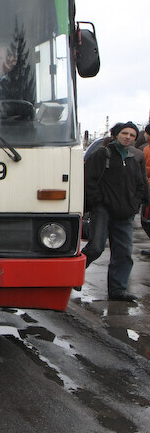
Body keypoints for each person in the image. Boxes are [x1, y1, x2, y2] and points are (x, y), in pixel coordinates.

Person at [82, 122, 150, 301]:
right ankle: (73, 275)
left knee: (123, 253)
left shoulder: (134, 157)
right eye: (125, 133)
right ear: (116, 135)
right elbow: (88, 181)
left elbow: (140, 184)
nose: (128, 137)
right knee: (96, 248)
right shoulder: (102, 154)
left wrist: (135, 204)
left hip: (125, 213)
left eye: (132, 135)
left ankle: (118, 290)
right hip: (103, 211)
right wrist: (99, 202)